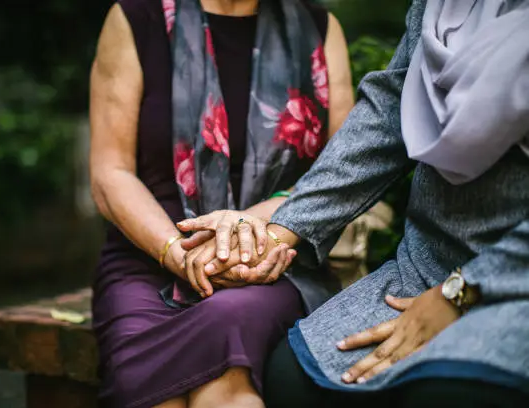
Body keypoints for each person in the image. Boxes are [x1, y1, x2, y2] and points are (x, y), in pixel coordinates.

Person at [180, 0, 529, 407]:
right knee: (293, 379)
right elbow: (388, 112)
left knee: (450, 391)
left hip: (513, 275)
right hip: (426, 266)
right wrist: (282, 230)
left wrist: (462, 292)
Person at [88, 0, 355, 406]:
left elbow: (344, 173)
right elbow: (111, 172)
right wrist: (177, 253)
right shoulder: (136, 18)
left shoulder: (318, 28)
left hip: (273, 260)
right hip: (149, 257)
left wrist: (243, 233)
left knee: (227, 363)